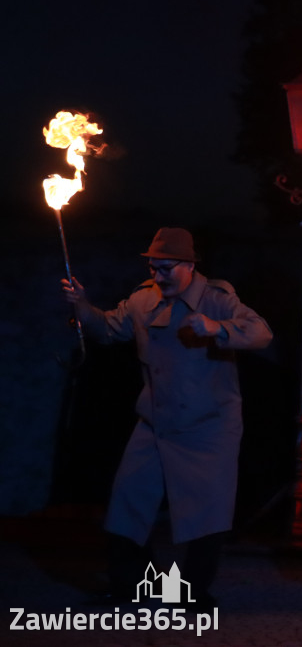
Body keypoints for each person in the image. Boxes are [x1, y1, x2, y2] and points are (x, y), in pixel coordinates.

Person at [61, 227, 273, 611]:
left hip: (209, 425)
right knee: (127, 504)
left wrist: (218, 328)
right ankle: (128, 585)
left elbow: (261, 333)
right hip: (155, 423)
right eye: (154, 268)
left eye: (166, 269)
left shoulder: (217, 298)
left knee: (205, 515)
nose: (159, 276)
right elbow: (108, 328)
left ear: (190, 266)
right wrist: (81, 306)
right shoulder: (144, 300)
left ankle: (194, 594)